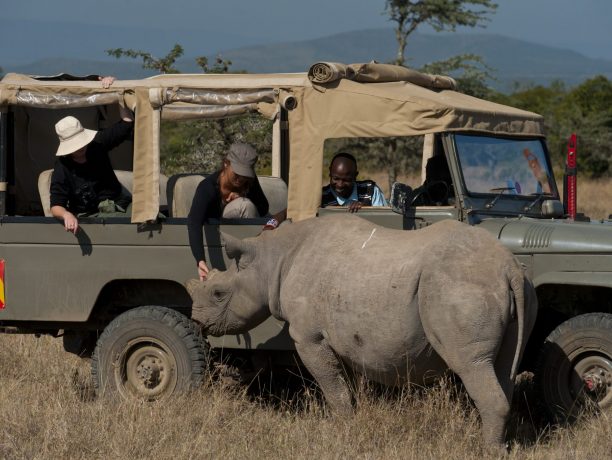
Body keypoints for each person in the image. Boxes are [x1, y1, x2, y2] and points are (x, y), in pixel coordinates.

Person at [50, 76, 134, 235]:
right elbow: (56, 205)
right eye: (75, 145)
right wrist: (66, 214)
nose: (80, 148)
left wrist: (117, 90)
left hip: (119, 205)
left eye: (81, 142)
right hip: (89, 217)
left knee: (150, 218)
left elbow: (126, 124)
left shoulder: (97, 144)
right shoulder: (62, 167)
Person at [188, 142, 269, 280]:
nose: (240, 178)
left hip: (245, 238)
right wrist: (200, 260)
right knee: (244, 206)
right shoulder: (207, 188)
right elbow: (194, 222)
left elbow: (263, 209)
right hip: (221, 233)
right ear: (226, 163)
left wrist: (243, 194)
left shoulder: (248, 183)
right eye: (237, 173)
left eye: (245, 174)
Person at [321, 152, 387, 212]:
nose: (340, 185)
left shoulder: (370, 190)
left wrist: (365, 210)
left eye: (346, 180)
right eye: (335, 178)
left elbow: (384, 220)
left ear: (355, 176)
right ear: (330, 173)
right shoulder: (321, 197)